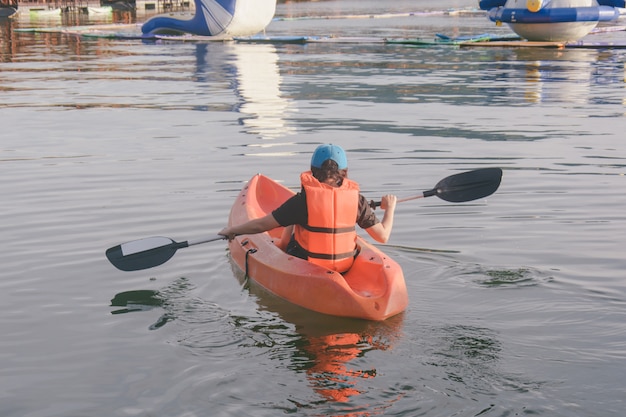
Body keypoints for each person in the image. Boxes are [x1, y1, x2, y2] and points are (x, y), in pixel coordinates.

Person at [219, 144, 397, 273]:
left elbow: (260, 226)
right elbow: (383, 236)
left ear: (312, 170)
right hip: (345, 266)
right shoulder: (357, 200)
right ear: (345, 172)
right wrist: (390, 208)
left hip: (309, 265)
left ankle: (281, 243)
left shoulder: (301, 201)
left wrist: (233, 230)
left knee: (294, 218)